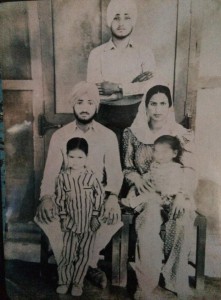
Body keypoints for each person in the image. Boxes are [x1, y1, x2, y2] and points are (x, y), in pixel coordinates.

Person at [35, 82, 123, 289]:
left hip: (95, 198)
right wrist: (47, 197)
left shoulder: (108, 136)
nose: (85, 107)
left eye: (90, 102)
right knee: (49, 218)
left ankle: (88, 263)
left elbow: (115, 173)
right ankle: (67, 264)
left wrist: (112, 198)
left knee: (109, 219)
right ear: (72, 105)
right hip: (65, 196)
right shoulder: (60, 136)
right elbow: (50, 173)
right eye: (80, 102)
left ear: (97, 107)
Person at [122, 83, 197, 299]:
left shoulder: (181, 135)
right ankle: (145, 282)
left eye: (163, 103)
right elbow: (127, 167)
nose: (157, 109)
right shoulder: (133, 134)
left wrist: (183, 195)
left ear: (169, 107)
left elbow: (191, 169)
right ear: (146, 107)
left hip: (176, 191)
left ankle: (174, 278)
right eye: (153, 103)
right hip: (147, 193)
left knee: (181, 218)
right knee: (150, 218)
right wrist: (136, 178)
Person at [87, 0, 156, 137]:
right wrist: (133, 87)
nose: (121, 24)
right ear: (109, 21)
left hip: (137, 114)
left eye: (127, 17)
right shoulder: (96, 54)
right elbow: (94, 91)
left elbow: (150, 87)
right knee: (108, 157)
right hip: (105, 115)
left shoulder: (145, 52)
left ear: (133, 22)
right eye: (116, 18)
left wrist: (118, 88)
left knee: (135, 157)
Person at [55, 137, 104, 296]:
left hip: (89, 224)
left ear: (87, 158)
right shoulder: (62, 177)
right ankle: (64, 281)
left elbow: (99, 197)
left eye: (80, 157)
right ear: (66, 156)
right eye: (71, 157)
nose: (75, 161)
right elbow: (60, 198)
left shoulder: (92, 176)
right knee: (67, 254)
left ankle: (77, 283)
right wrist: (63, 217)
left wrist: (95, 216)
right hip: (70, 223)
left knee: (84, 255)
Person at [121, 135, 185, 211]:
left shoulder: (175, 168)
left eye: (164, 152)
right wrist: (145, 179)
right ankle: (130, 200)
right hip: (154, 189)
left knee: (149, 196)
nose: (160, 156)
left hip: (166, 196)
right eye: (157, 152)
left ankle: (132, 203)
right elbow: (150, 174)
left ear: (174, 153)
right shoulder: (155, 165)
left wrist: (158, 187)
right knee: (137, 188)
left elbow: (175, 185)